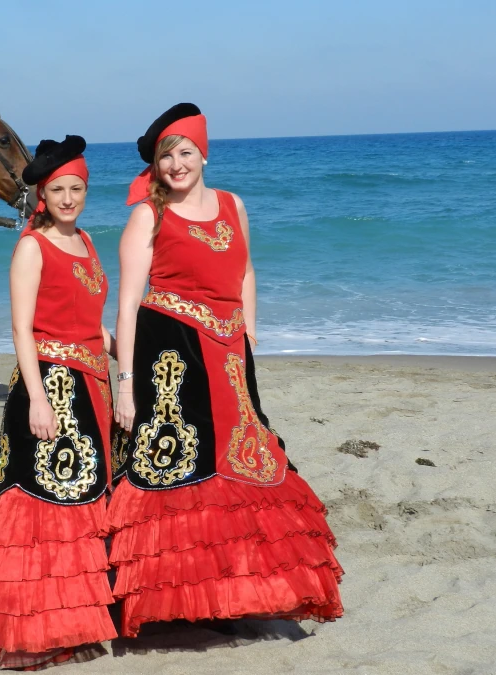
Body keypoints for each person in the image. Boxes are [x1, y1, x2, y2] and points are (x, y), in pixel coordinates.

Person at [109, 104, 344, 637]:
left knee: (247, 462)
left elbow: (246, 270)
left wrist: (249, 332)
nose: (176, 165)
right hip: (170, 354)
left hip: (229, 352)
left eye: (185, 152)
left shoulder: (233, 204)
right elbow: (126, 305)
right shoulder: (149, 214)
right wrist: (126, 382)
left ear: (204, 153)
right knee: (183, 466)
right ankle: (177, 599)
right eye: (167, 156)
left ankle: (241, 591)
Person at [0, 136, 117, 669]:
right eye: (57, 189)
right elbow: (21, 329)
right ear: (40, 193)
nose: (67, 198)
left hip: (92, 385)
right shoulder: (33, 245)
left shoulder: (85, 241)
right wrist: (36, 398)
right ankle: (39, 625)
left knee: (80, 502)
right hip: (51, 387)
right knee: (44, 506)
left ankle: (77, 612)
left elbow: (84, 316)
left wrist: (117, 340)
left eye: (75, 188)